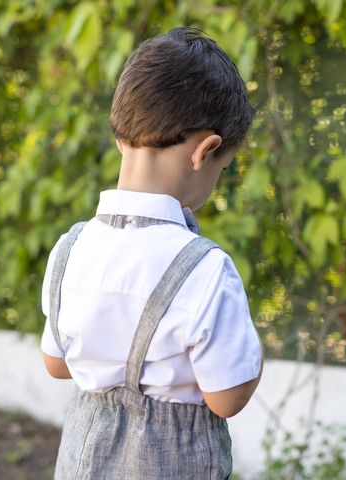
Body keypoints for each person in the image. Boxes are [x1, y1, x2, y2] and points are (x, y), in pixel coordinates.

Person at [39, 27, 263, 479]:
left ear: (122, 135)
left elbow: (56, 364)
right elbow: (227, 398)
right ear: (206, 151)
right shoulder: (204, 268)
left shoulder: (71, 247)